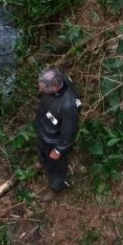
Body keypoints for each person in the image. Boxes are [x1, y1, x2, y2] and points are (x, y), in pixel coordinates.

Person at [34, 67, 81, 200]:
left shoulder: (68, 106)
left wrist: (59, 150)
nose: (40, 90)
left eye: (43, 89)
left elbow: (69, 131)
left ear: (54, 87)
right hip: (44, 127)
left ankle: (57, 186)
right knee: (41, 150)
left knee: (56, 164)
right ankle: (42, 162)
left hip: (54, 139)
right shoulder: (59, 80)